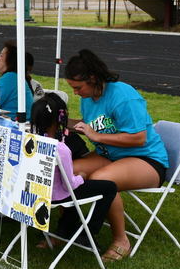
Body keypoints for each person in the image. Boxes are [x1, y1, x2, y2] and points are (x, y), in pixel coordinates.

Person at [66, 49, 168, 261]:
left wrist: (98, 137)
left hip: (146, 159)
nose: (76, 93)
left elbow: (138, 138)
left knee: (103, 180)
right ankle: (67, 229)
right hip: (109, 155)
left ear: (93, 78)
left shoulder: (123, 96)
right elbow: (92, 126)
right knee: (66, 171)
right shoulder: (88, 97)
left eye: (78, 87)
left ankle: (121, 239)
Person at [29, 93, 116, 249]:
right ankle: (87, 232)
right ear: (61, 118)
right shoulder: (61, 149)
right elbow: (70, 184)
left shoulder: (29, 141)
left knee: (77, 191)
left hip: (37, 191)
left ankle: (64, 231)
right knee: (109, 187)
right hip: (56, 195)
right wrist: (81, 177)